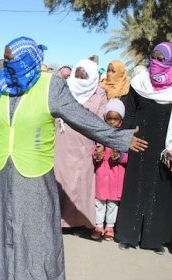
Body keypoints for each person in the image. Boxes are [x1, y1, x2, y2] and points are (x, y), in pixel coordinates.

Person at [0, 36, 148, 280]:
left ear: (26, 60)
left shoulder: (50, 85)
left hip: (34, 175)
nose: (6, 63)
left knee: (36, 233)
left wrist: (118, 138)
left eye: (11, 59)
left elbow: (80, 117)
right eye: (4, 58)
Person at [115, 42, 172, 254]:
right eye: (153, 57)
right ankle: (128, 236)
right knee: (135, 188)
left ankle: (154, 239)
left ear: (170, 60)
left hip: (164, 147)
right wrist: (128, 136)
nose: (155, 62)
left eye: (161, 59)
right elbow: (129, 112)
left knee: (159, 190)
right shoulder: (139, 82)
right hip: (139, 144)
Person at [54, 59, 107, 231]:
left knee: (81, 181)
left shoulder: (99, 93)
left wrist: (100, 144)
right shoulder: (64, 88)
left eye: (85, 73)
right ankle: (59, 220)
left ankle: (78, 220)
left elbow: (100, 119)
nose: (80, 75)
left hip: (85, 143)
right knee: (61, 179)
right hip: (62, 141)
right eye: (78, 72)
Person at [91, 99, 127, 241]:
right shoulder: (100, 134)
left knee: (112, 203)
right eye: (109, 118)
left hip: (116, 175)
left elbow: (128, 157)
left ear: (121, 120)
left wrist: (119, 156)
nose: (112, 122)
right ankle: (98, 226)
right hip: (102, 173)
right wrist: (97, 155)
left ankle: (110, 227)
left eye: (115, 119)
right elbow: (94, 151)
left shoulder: (123, 136)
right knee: (99, 202)